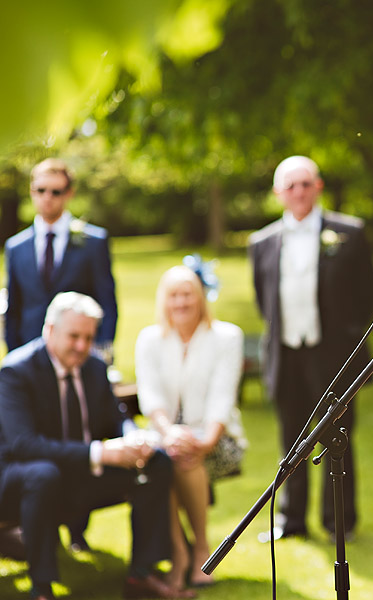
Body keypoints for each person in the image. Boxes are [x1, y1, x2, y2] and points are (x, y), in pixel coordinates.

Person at [0, 292, 193, 600]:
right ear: (49, 330)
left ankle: (142, 574)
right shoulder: (15, 371)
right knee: (42, 474)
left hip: (79, 474)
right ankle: (43, 588)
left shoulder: (93, 367)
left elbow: (115, 417)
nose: (81, 345)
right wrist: (100, 452)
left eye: (88, 337)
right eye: (74, 336)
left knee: (156, 461)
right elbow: (24, 445)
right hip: (18, 480)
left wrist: (133, 438)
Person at [249, 155, 373, 541]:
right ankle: (292, 520)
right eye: (291, 185)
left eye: (306, 184)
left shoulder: (349, 233)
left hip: (334, 355)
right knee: (291, 440)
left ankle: (340, 521)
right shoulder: (262, 242)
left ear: (318, 187)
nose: (299, 192)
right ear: (278, 193)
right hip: (286, 354)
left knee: (338, 439)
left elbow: (366, 294)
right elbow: (262, 300)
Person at [135, 265, 247, 590]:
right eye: (173, 295)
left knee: (184, 460)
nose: (181, 302)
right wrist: (169, 432)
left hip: (217, 438)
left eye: (187, 294)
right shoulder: (150, 339)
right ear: (163, 300)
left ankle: (199, 548)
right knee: (163, 461)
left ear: (200, 298)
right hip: (165, 436)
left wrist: (205, 441)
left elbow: (222, 396)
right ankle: (179, 552)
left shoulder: (226, 336)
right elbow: (151, 395)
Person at [4, 158, 118, 356]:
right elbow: (13, 309)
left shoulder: (93, 242)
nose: (47, 197)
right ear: (32, 191)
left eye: (55, 191)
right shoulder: (15, 247)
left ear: (69, 193)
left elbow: (107, 302)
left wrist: (99, 351)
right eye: (41, 190)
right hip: (30, 354)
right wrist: (15, 357)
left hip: (80, 353)